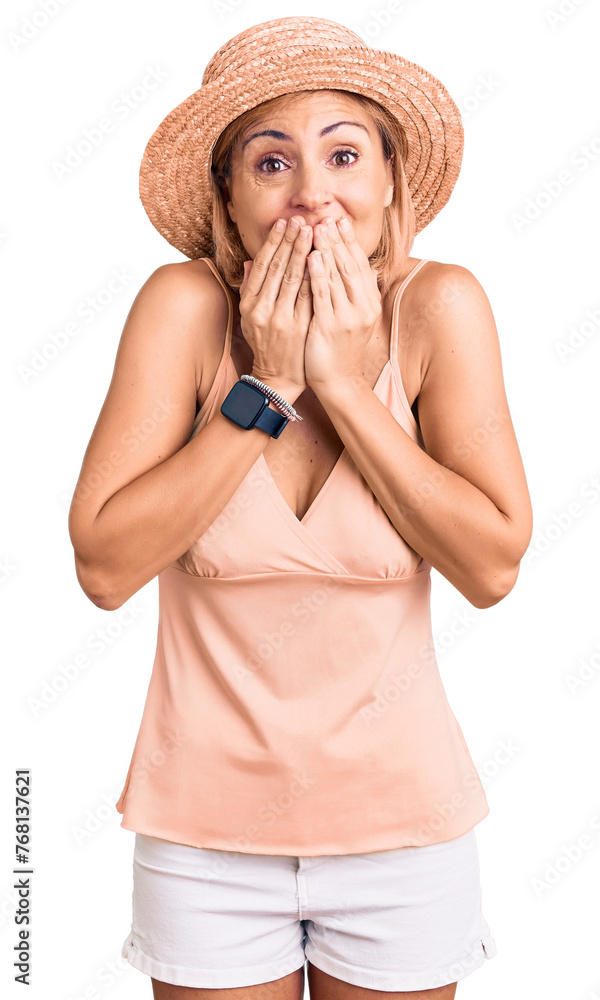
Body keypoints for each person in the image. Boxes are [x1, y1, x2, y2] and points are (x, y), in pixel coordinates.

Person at [68, 15, 533, 1000]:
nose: (313, 193)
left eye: (344, 153)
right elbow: (104, 565)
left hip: (404, 831)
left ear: (391, 185)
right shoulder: (182, 309)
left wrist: (353, 393)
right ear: (229, 200)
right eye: (271, 160)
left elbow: (492, 566)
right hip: (204, 835)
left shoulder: (442, 307)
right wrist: (266, 394)